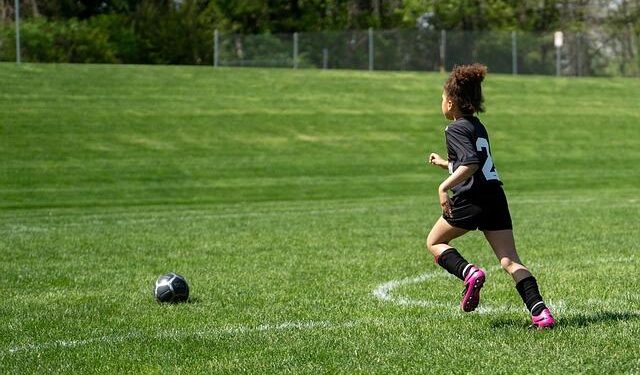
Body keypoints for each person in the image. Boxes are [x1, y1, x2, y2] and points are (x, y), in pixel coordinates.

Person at [425, 63, 555, 328]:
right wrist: (444, 164)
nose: (441, 102)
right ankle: (541, 313)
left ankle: (469, 273)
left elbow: (470, 164)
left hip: (471, 197)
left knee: (435, 242)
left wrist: (443, 187)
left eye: (441, 98)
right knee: (509, 260)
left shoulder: (454, 129)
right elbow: (474, 163)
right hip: (494, 196)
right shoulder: (477, 126)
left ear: (450, 103)